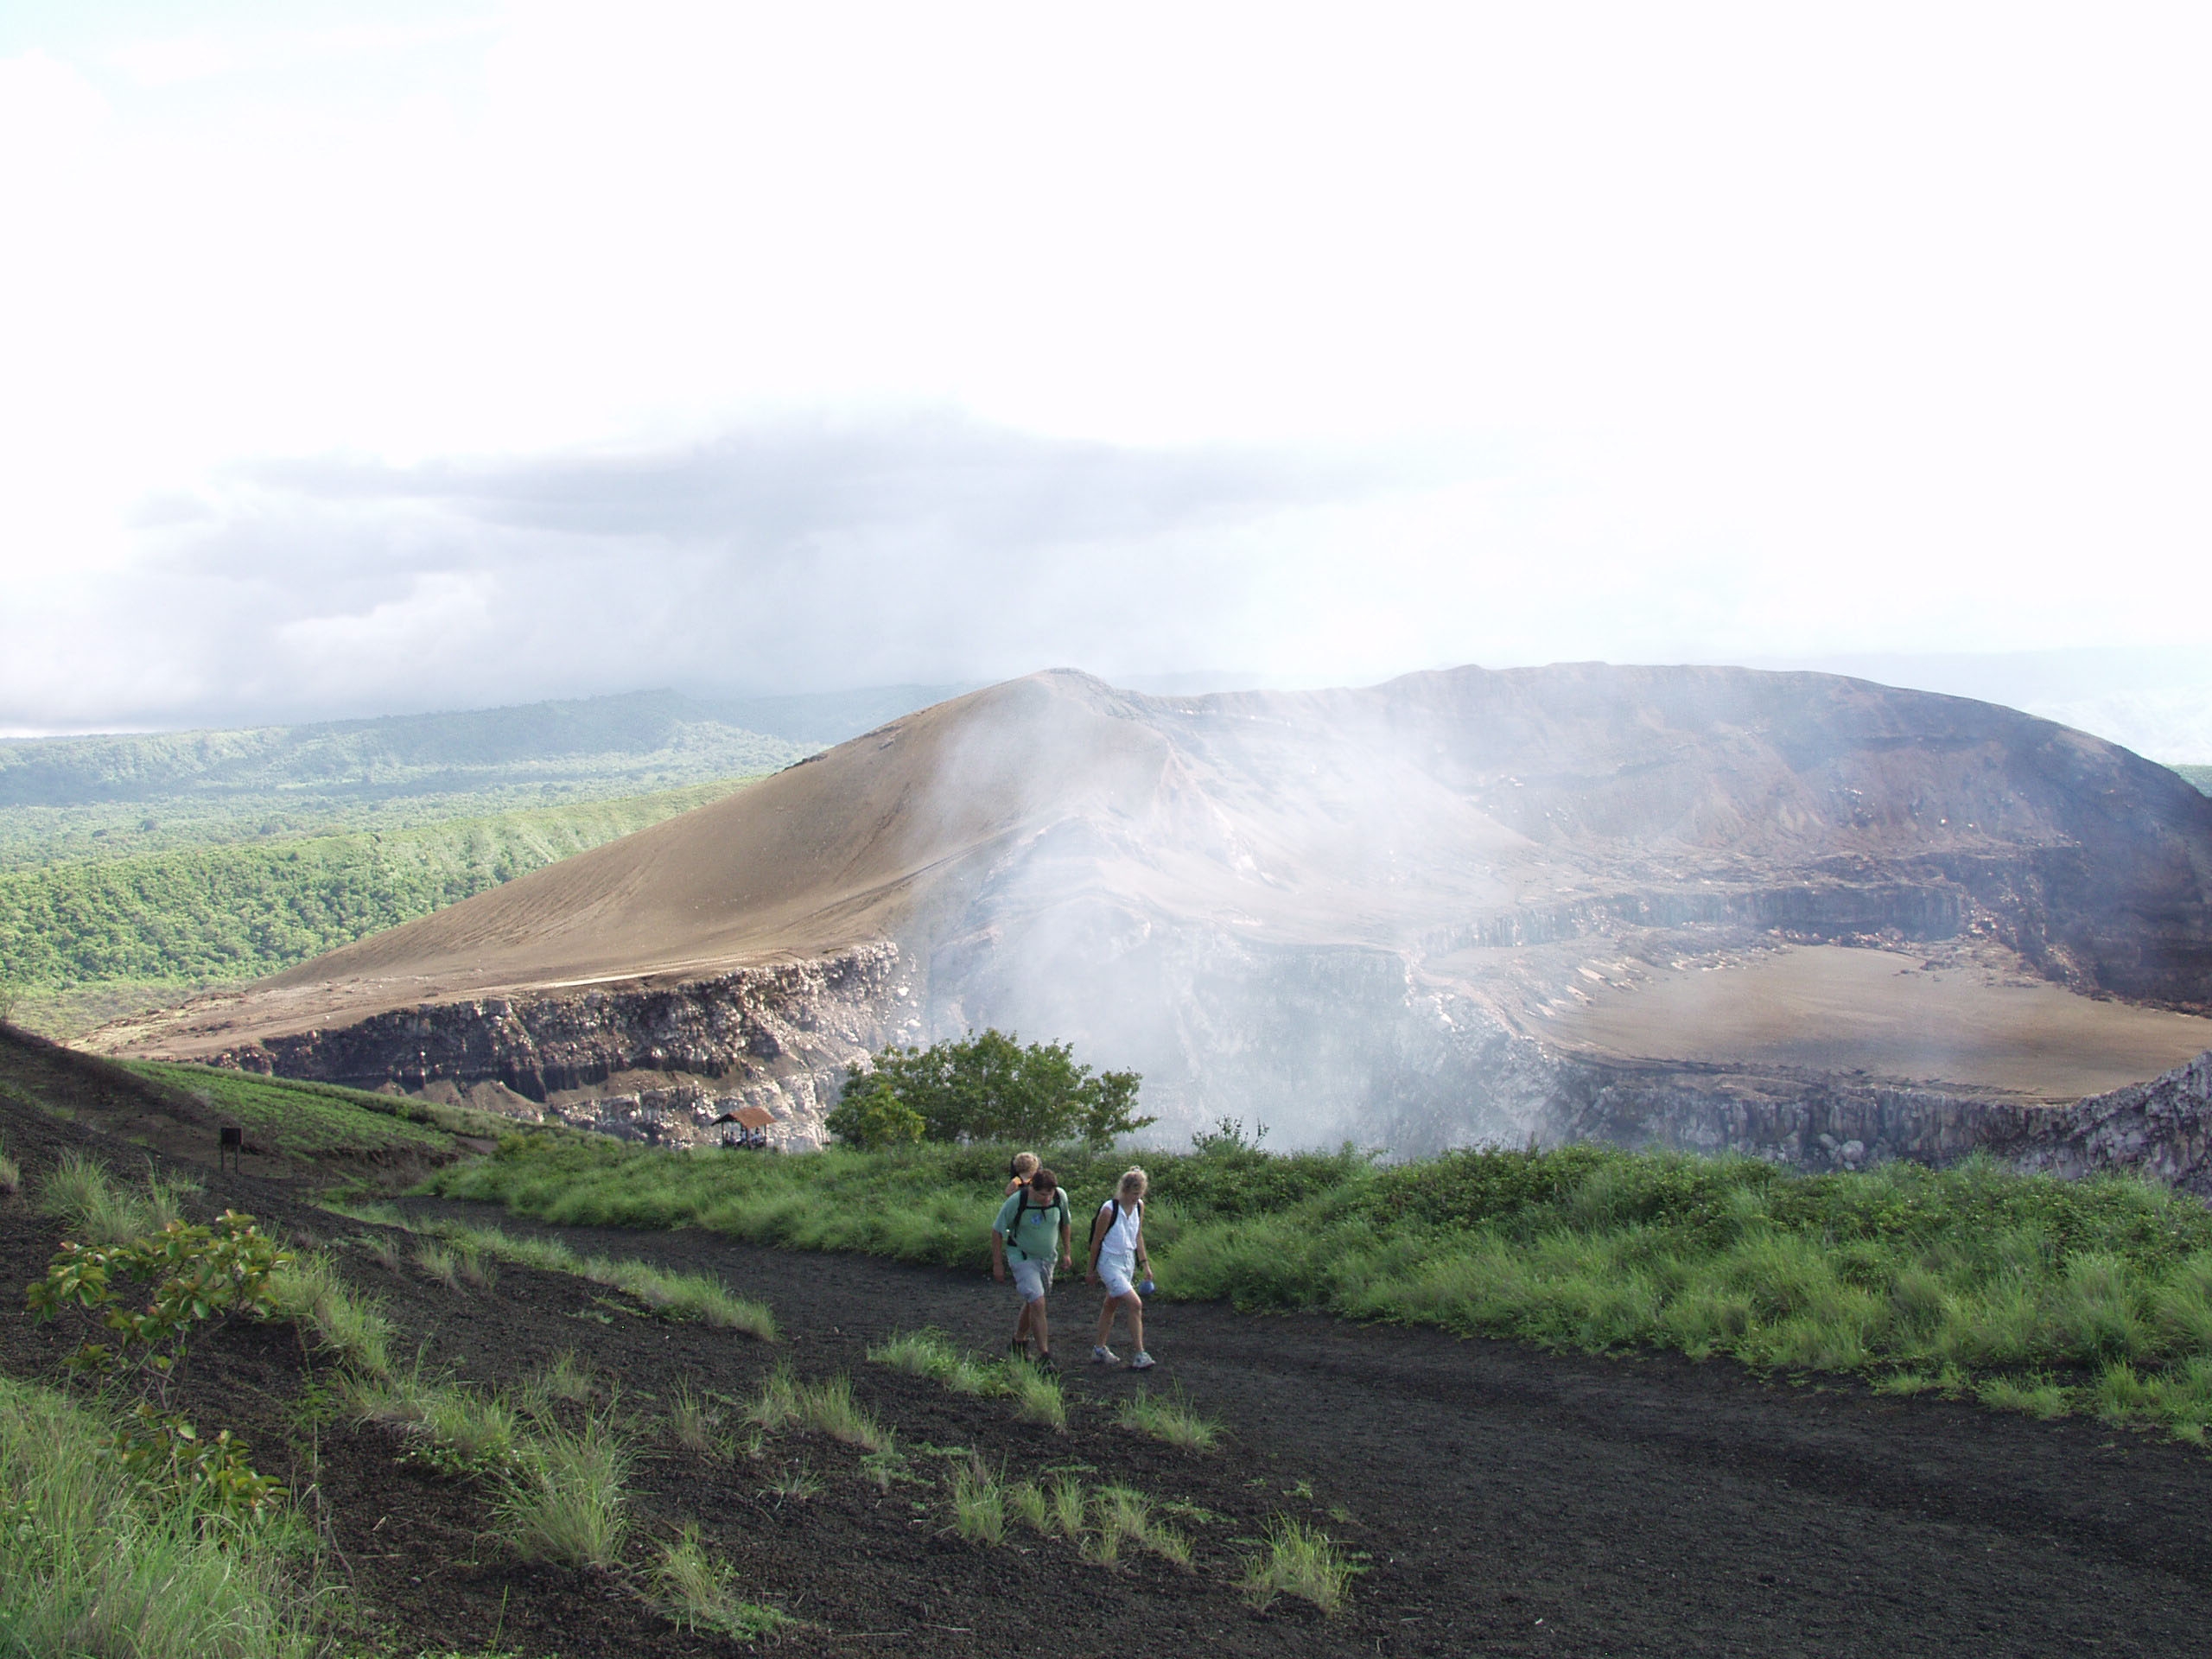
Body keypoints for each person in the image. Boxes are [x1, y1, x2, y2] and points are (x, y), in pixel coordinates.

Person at [991, 1166, 1072, 1365]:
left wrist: (1067, 1253)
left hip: (1047, 1259)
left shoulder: (1060, 1198)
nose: (1046, 1199)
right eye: (1041, 1194)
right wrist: (997, 1264)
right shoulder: (1017, 1201)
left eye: (1049, 1194)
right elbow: (997, 1231)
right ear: (1032, 1188)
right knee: (1038, 1302)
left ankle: (1018, 1341)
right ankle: (1044, 1356)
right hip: (1021, 1256)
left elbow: (1065, 1224)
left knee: (1033, 1301)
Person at [1085, 1166, 1154, 1370]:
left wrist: (1145, 1265)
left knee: (1111, 1304)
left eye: (1140, 1194)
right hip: (1109, 1262)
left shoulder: (1139, 1207)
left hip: (1127, 1261)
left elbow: (1138, 1235)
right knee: (1135, 1304)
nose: (1137, 1197)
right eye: (1134, 1193)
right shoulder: (1109, 1210)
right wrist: (1090, 1271)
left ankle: (1099, 1349)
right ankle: (1140, 1353)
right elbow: (1096, 1241)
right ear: (1124, 1190)